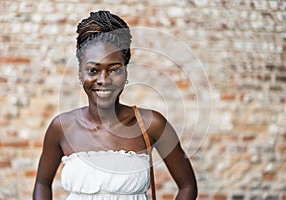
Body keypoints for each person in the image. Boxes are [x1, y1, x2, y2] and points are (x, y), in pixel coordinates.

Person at [33, 10, 197, 200]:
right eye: (93, 70)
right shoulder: (61, 127)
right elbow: (42, 184)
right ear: (80, 73)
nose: (103, 80)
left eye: (114, 70)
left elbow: (187, 186)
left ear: (126, 73)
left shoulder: (151, 124)